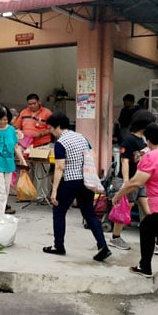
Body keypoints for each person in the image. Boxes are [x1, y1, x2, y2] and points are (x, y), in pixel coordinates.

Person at [42, 112, 112, 262]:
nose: (51, 132)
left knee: (59, 212)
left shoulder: (61, 143)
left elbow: (60, 167)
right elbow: (92, 155)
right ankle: (103, 246)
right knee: (89, 214)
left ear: (58, 127)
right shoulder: (81, 137)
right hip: (85, 181)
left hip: (69, 181)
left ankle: (58, 246)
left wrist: (54, 190)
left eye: (51, 128)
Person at [112, 123, 158, 277]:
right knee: (147, 228)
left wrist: (118, 196)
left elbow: (136, 183)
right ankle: (144, 266)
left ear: (149, 140)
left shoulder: (151, 157)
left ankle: (145, 266)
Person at [108, 110, 156, 250]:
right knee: (125, 209)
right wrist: (127, 182)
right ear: (144, 125)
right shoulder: (129, 140)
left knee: (149, 211)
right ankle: (115, 237)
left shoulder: (144, 139)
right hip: (132, 181)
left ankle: (154, 240)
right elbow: (125, 162)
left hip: (142, 181)